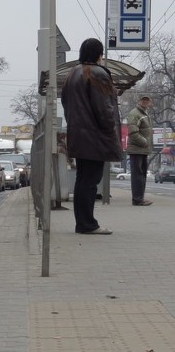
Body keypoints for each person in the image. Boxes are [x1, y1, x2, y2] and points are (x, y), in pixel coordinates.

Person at [60, 38, 122, 235]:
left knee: (82, 179)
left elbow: (65, 103)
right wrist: (109, 128)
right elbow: (104, 108)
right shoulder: (96, 73)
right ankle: (88, 224)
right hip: (95, 136)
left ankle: (83, 223)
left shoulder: (73, 73)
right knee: (90, 180)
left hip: (78, 134)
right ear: (98, 54)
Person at [126, 94, 153, 206]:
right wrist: (145, 142)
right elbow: (133, 132)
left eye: (147, 100)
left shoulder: (144, 113)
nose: (145, 102)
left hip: (142, 150)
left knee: (141, 175)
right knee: (138, 175)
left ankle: (140, 198)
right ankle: (137, 199)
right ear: (139, 101)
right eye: (143, 100)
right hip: (137, 149)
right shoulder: (135, 113)